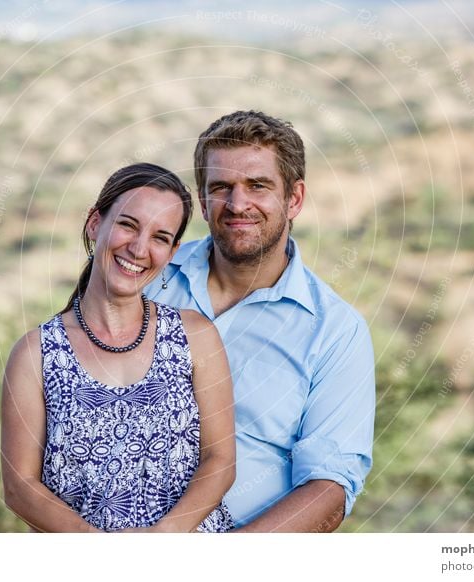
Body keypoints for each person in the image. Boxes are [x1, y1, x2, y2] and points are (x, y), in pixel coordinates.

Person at [146, 111, 376, 532]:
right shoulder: (149, 277)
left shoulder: (335, 332)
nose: (237, 205)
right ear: (201, 200)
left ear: (295, 199)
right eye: (221, 188)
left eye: (258, 186)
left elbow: (329, 486)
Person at [1, 163, 236, 532]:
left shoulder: (195, 335)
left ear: (172, 251)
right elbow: (20, 487)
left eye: (160, 237)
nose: (139, 248)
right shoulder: (36, 354)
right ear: (96, 223)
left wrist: (163, 539)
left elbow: (220, 460)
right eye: (128, 224)